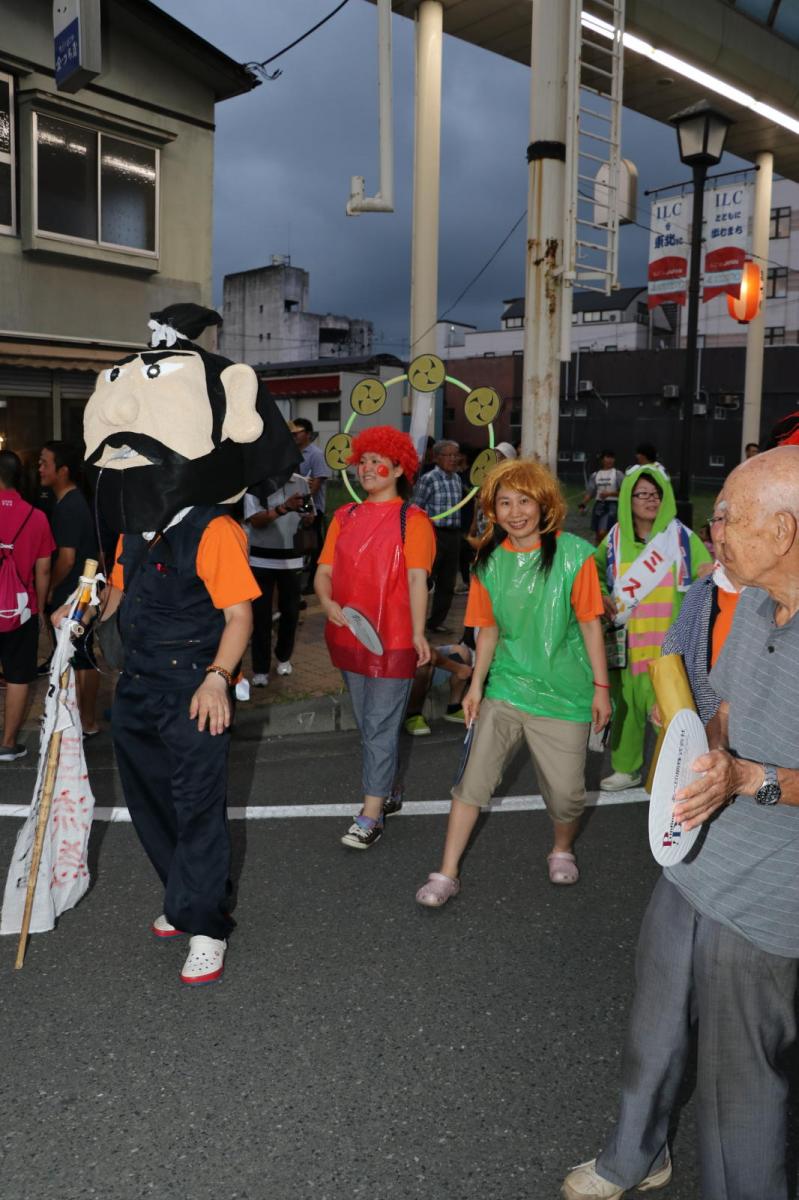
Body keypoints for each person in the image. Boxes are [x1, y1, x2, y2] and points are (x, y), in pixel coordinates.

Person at [561, 445, 799, 1200]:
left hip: (768, 900)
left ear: (784, 529)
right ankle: (635, 1156)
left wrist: (748, 778)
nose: (714, 527)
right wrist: (701, 742)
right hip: (693, 858)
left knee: (742, 1087)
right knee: (653, 1024)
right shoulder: (750, 602)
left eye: (730, 515)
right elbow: (715, 709)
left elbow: (750, 769)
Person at [75, 303, 297, 986]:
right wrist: (76, 622)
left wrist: (217, 678)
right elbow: (113, 595)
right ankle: (182, 895)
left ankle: (206, 925)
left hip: (193, 686)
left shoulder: (215, 530)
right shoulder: (130, 530)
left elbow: (238, 617)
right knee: (150, 802)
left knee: (198, 807)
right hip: (137, 685)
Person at [415, 458, 611, 906]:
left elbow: (590, 625)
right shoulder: (487, 561)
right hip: (506, 686)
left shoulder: (575, 555)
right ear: (492, 510)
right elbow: (487, 631)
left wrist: (602, 689)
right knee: (472, 784)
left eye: (524, 501)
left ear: (544, 505)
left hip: (566, 693)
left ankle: (561, 848)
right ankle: (446, 873)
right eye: (504, 502)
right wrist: (477, 686)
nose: (515, 511)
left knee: (566, 796)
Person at [315, 425, 434, 850]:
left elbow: (419, 580)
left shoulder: (414, 521)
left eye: (376, 460)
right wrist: (327, 603)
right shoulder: (344, 516)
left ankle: (370, 815)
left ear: (400, 467)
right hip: (348, 636)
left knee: (380, 727)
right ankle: (388, 789)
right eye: (362, 460)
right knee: (370, 725)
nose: (367, 467)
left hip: (395, 639)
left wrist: (419, 633)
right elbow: (324, 572)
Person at [596, 466, 711, 791]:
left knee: (672, 714)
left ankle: (668, 776)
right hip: (628, 646)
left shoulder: (682, 538)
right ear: (628, 499)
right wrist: (602, 593)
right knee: (627, 711)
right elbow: (592, 568)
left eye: (656, 494)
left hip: (670, 648)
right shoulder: (615, 540)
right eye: (642, 494)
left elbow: (706, 575)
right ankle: (626, 768)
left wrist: (709, 572)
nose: (651, 500)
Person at [38, 440, 100, 735]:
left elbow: (67, 558)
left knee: (80, 656)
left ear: (63, 471)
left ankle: (85, 721)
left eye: (44, 463)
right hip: (80, 591)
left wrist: (49, 588)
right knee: (81, 655)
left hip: (74, 594)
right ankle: (84, 720)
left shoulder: (70, 506)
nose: (39, 468)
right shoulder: (70, 501)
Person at [0, 450, 54, 760]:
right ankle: (8, 744)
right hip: (22, 610)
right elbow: (43, 569)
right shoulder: (37, 517)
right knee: (19, 675)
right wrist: (42, 608)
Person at [243, 467, 311, 685]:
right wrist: (284, 508)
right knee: (260, 617)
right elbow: (256, 520)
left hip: (292, 558)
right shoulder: (256, 483)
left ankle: (284, 657)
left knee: (290, 613)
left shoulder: (300, 482)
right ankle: (260, 670)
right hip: (260, 558)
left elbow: (310, 516)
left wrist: (307, 516)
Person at [413, 439, 464, 633]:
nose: (453, 459)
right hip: (434, 534)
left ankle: (436, 622)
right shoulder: (429, 479)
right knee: (425, 579)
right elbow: (416, 508)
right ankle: (414, 619)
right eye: (448, 455)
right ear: (437, 457)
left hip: (453, 535)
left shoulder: (458, 479)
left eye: (455, 455)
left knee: (448, 581)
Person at [403, 628, 475, 736]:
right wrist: (459, 669)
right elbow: (424, 653)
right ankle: (412, 715)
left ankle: (453, 708)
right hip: (402, 670)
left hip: (423, 652)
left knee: (462, 652)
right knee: (423, 662)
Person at [291, 418, 332, 594]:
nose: (293, 435)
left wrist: (305, 507)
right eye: (291, 433)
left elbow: (317, 482)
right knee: (302, 543)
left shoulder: (315, 454)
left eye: (297, 432)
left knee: (313, 545)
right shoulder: (290, 452)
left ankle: (313, 583)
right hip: (294, 505)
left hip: (312, 507)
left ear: (307, 434)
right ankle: (305, 579)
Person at [578, 449, 624, 546]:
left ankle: (608, 552)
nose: (610, 460)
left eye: (611, 457)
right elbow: (590, 493)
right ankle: (598, 555)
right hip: (599, 505)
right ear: (602, 459)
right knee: (598, 534)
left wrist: (610, 494)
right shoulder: (595, 475)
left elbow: (624, 492)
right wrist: (583, 504)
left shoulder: (618, 474)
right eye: (607, 457)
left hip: (612, 506)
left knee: (604, 532)